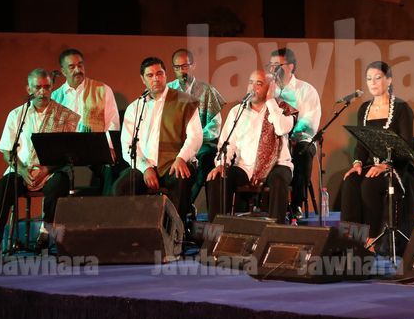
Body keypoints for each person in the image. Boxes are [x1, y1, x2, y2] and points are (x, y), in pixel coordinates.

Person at [0, 69, 81, 257]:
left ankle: (45, 233)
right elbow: (7, 151)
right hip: (22, 170)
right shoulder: (17, 115)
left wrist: (46, 170)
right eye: (38, 87)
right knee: (2, 188)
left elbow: (66, 153)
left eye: (47, 87)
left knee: (60, 183)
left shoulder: (64, 116)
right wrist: (22, 169)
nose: (42, 92)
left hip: (50, 171)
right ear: (29, 89)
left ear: (52, 88)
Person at [113, 57, 202, 224]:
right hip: (145, 166)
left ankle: (177, 231)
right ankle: (133, 231)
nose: (156, 78)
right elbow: (127, 145)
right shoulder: (135, 107)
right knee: (122, 187)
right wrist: (145, 168)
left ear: (165, 75)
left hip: (174, 164)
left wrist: (181, 158)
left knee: (181, 178)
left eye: (159, 73)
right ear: (143, 79)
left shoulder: (184, 101)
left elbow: (195, 136)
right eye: (150, 75)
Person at [206, 69, 297, 224]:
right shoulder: (237, 111)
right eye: (250, 82)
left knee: (279, 180)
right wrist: (221, 164)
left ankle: (275, 231)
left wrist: (270, 101)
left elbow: (281, 128)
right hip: (245, 167)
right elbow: (227, 144)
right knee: (218, 178)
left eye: (259, 84)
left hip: (276, 166)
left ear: (270, 88)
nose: (252, 87)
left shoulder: (283, 109)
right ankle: (217, 230)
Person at [342, 61, 414, 252]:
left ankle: (372, 239)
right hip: (371, 165)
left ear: (389, 80)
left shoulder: (402, 108)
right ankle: (352, 240)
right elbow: (361, 144)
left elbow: (406, 146)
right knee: (350, 181)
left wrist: (385, 165)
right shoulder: (364, 108)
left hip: (395, 166)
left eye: (377, 78)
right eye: (369, 79)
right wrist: (357, 163)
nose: (373, 83)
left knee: (369, 184)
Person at [51, 48, 121, 195]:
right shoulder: (55, 97)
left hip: (95, 150)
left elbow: (112, 122)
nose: (78, 70)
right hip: (66, 154)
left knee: (110, 170)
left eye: (80, 65)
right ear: (63, 71)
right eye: (72, 67)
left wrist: (109, 148)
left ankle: (105, 208)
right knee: (56, 180)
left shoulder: (102, 89)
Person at [167, 48, 225, 217]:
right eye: (177, 67)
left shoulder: (206, 91)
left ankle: (185, 208)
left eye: (185, 66)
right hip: (175, 145)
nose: (181, 71)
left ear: (193, 66)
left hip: (202, 144)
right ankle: (175, 209)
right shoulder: (168, 91)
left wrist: (194, 139)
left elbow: (214, 126)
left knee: (205, 163)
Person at [267, 48, 321, 219]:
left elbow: (309, 122)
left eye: (278, 65)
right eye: (271, 65)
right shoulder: (269, 90)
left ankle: (296, 203)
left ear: (290, 66)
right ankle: (263, 204)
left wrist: (291, 135)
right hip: (273, 139)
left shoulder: (306, 90)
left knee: (303, 151)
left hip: (298, 139)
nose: (273, 69)